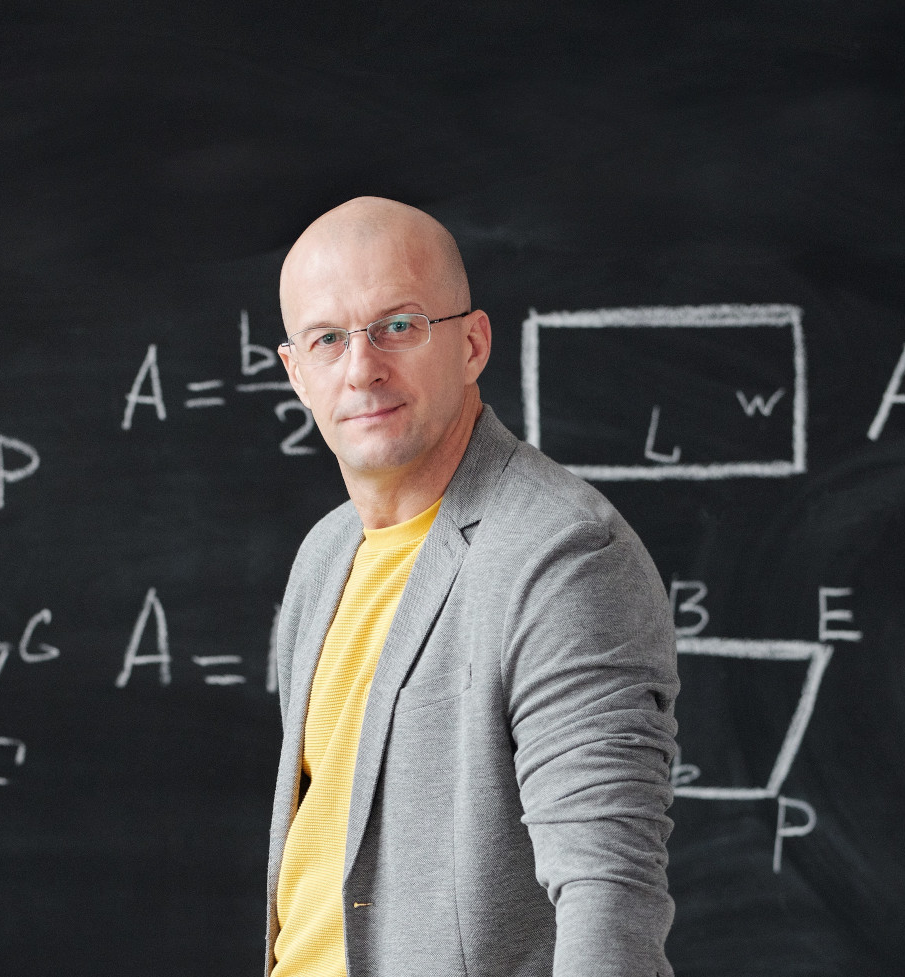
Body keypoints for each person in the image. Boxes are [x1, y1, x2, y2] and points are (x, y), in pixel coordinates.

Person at [266, 196, 679, 977]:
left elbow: (610, 900)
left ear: (472, 342)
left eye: (399, 324)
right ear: (296, 372)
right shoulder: (324, 557)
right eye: (328, 339)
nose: (363, 368)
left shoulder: (562, 555)